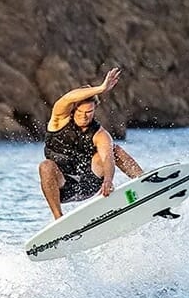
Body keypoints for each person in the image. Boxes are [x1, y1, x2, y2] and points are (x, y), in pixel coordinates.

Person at [38, 67, 143, 219]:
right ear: (74, 109)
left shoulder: (100, 134)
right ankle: (58, 218)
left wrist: (108, 180)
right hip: (62, 186)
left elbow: (107, 158)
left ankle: (143, 182)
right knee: (45, 166)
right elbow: (68, 98)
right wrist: (101, 88)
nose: (84, 116)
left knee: (113, 150)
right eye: (81, 112)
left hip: (89, 183)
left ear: (95, 110)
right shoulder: (59, 120)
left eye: (89, 112)